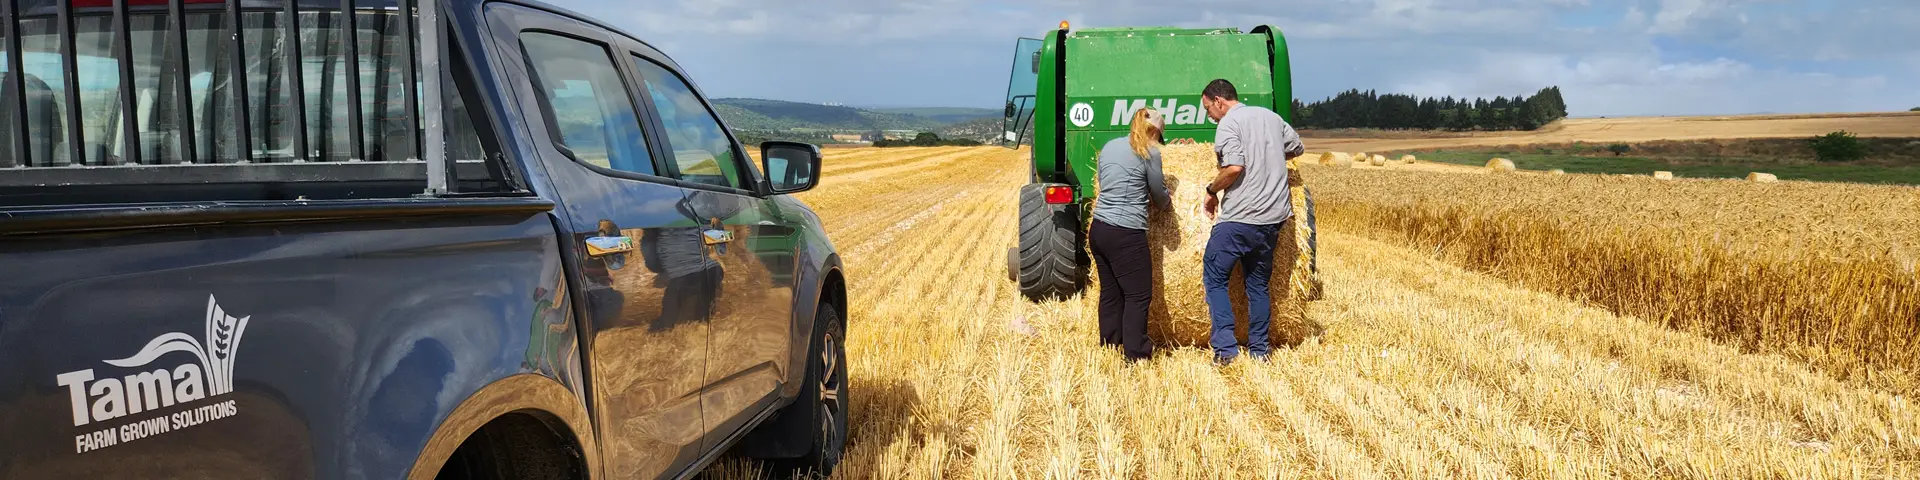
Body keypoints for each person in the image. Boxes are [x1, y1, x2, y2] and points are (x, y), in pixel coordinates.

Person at [1198, 78, 1306, 365]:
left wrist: (1211, 191)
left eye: (1209, 109)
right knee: (1258, 286)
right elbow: (1297, 147)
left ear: (1219, 101)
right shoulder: (1271, 117)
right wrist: (1269, 155)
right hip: (1273, 219)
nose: (1209, 115)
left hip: (1240, 218)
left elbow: (1234, 167)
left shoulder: (1228, 124)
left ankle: (1226, 350)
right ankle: (1260, 351)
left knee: (1215, 277)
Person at [1089, 108, 1172, 363]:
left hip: (1099, 229)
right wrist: (1168, 203)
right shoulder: (1149, 152)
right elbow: (1158, 194)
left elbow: (1103, 184)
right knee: (1138, 295)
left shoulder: (1109, 147)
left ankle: (1110, 345)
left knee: (1111, 292)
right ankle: (1136, 355)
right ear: (1155, 132)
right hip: (1126, 233)